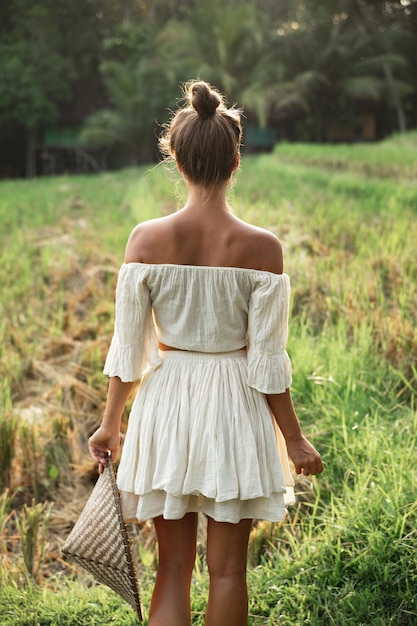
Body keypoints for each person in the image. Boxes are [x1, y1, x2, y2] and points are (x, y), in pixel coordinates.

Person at [88, 80, 323, 626]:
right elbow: (267, 364)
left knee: (170, 570)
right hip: (235, 405)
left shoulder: (145, 241)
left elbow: (128, 349)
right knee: (228, 572)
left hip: (167, 401)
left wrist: (109, 425)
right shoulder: (263, 249)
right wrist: (294, 438)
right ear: (236, 159)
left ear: (175, 157)